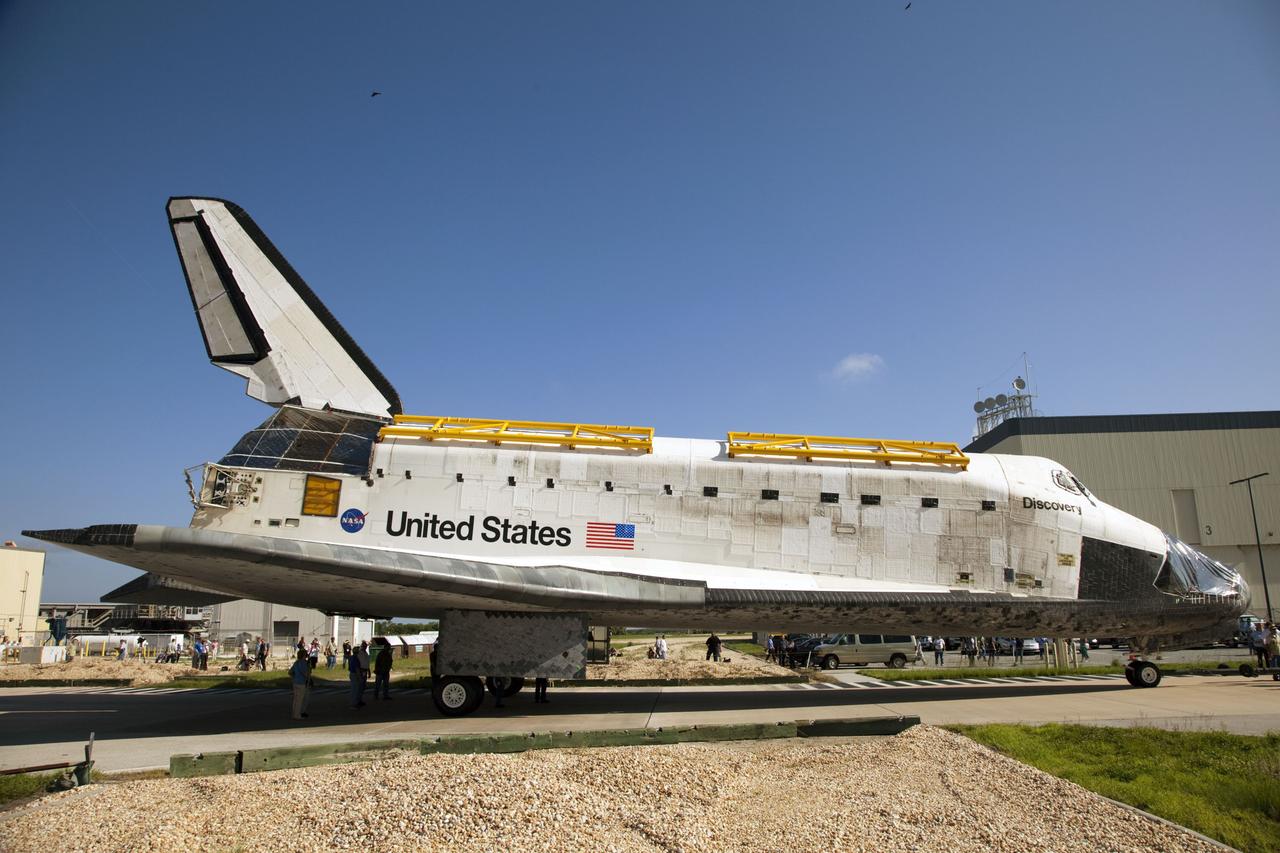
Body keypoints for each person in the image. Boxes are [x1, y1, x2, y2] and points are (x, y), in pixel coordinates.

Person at [289, 649, 311, 720]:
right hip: (301, 683)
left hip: (295, 683)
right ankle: (297, 715)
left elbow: (290, 672)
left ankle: (294, 714)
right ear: (304, 655)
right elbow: (305, 673)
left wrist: (294, 677)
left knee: (295, 700)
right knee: (299, 700)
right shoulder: (303, 663)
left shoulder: (296, 662)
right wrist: (308, 676)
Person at [348, 640, 369, 708]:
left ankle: (358, 701)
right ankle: (354, 703)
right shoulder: (355, 657)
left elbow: (366, 663)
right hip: (358, 673)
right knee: (356, 689)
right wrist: (360, 676)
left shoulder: (364, 654)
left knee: (360, 688)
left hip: (361, 672)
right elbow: (357, 668)